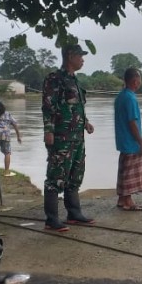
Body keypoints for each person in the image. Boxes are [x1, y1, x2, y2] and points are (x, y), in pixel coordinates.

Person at [41, 44, 95, 231]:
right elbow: (48, 106)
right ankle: (52, 218)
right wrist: (48, 131)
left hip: (77, 137)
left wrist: (86, 122)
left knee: (75, 175)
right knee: (56, 176)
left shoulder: (76, 81)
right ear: (70, 56)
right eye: (80, 56)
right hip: (61, 137)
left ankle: (74, 213)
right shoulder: (55, 79)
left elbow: (77, 107)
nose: (82, 59)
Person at [114, 68, 142, 211]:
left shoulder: (120, 96)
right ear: (135, 81)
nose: (140, 82)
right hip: (131, 142)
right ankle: (128, 201)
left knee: (124, 170)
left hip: (123, 141)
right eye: (139, 79)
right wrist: (141, 143)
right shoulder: (131, 98)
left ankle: (122, 199)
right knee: (130, 173)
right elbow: (132, 122)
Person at [0, 99, 22, 175]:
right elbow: (15, 124)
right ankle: (6, 171)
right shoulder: (7, 114)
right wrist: (18, 136)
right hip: (6, 135)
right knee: (7, 153)